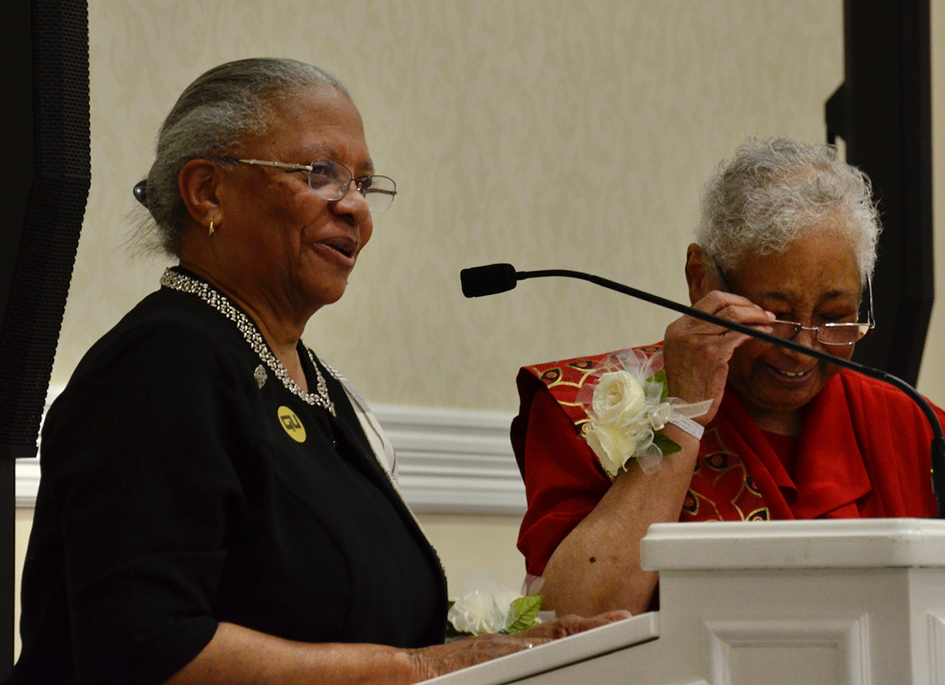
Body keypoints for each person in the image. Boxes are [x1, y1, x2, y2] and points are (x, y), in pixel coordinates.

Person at [8, 58, 624, 685]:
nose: (357, 209)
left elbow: (356, 620)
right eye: (321, 174)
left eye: (364, 182)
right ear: (207, 192)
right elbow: (146, 647)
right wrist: (416, 667)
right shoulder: (159, 363)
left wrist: (518, 651)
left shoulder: (309, 381)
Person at [511, 137, 945, 618]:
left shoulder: (936, 444)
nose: (803, 349)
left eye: (834, 317)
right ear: (700, 278)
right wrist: (681, 418)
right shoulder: (588, 404)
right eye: (774, 315)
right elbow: (571, 624)